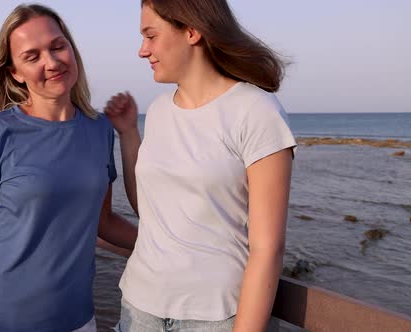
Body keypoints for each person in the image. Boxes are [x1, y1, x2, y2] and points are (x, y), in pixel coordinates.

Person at [104, 0, 296, 331]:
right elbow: (149, 209)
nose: (142, 50)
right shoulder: (160, 110)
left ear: (192, 31)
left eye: (151, 36)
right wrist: (129, 133)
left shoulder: (256, 111)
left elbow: (268, 249)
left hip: (216, 317)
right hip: (139, 309)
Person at [0, 4, 137, 332]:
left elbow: (102, 221)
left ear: (71, 49)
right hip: (0, 322)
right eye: (32, 56)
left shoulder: (100, 129)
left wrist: (172, 244)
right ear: (15, 72)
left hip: (79, 321)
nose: (51, 62)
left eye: (58, 46)